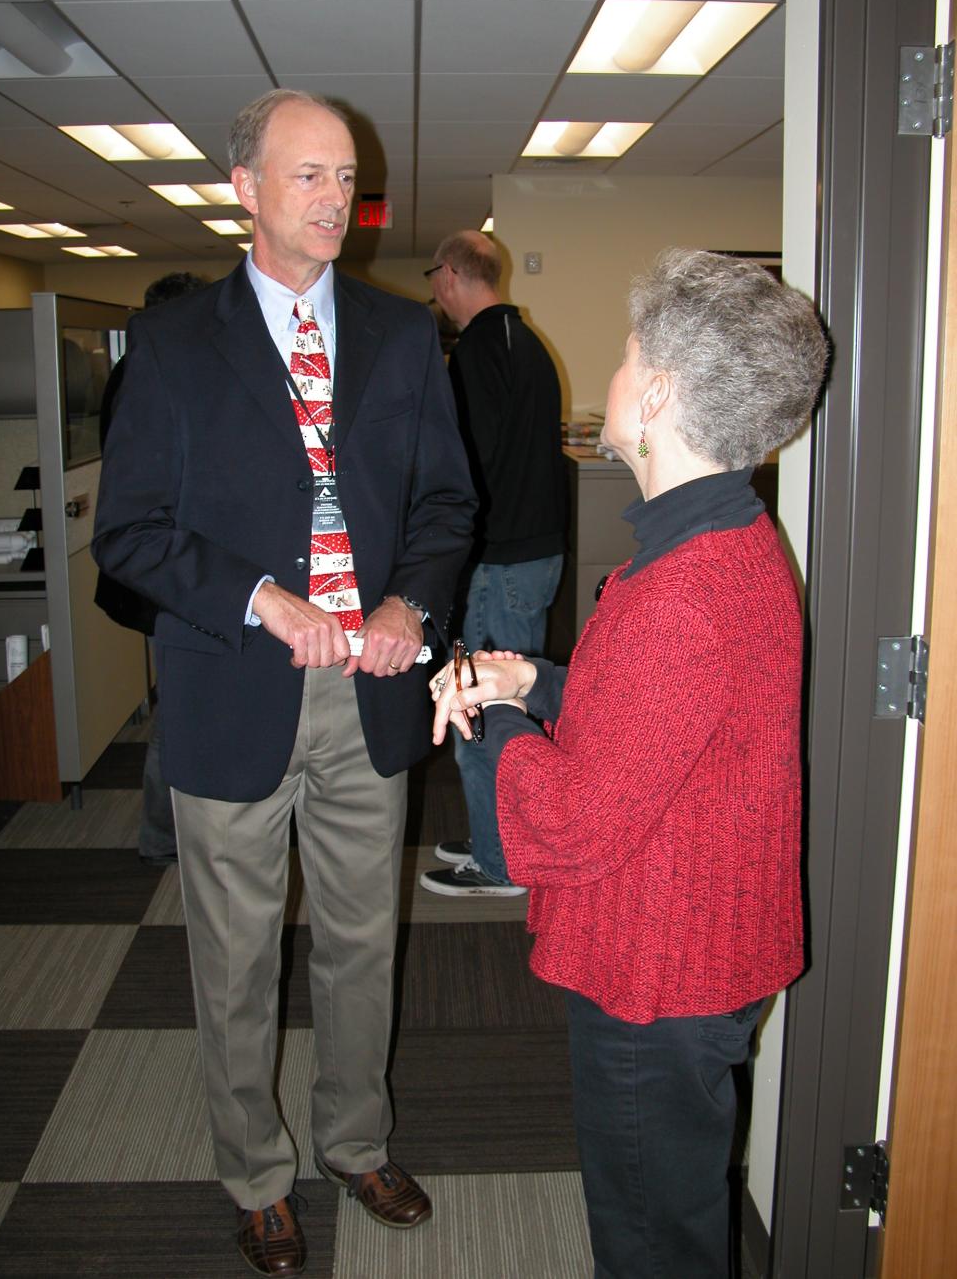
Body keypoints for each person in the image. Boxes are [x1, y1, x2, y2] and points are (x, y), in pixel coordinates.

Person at [92, 89, 476, 1278]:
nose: (333, 200)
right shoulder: (171, 345)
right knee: (237, 953)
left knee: (364, 941)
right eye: (304, 175)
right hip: (231, 686)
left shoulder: (405, 336)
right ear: (244, 189)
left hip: (367, 689)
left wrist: (410, 602)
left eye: (345, 176)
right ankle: (255, 1171)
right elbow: (132, 533)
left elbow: (444, 506)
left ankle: (355, 1141)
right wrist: (266, 599)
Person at [429, 249, 828, 1279]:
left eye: (624, 354)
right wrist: (537, 684)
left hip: (660, 972)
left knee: (654, 1244)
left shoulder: (679, 593)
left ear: (653, 395)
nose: (608, 373)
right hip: (701, 945)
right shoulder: (731, 540)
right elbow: (666, 734)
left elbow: (565, 824)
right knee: (678, 1215)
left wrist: (492, 715)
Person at [421, 231, 565, 896]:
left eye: (434, 276)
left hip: (501, 563)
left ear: (450, 274)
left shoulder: (477, 350)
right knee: (510, 706)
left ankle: (502, 862)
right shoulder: (527, 344)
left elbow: (466, 472)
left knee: (478, 708)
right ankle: (498, 839)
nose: (434, 290)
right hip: (533, 555)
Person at [94, 270, 211, 867]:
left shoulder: (142, 370)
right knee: (178, 708)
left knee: (177, 703)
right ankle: (164, 837)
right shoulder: (149, 375)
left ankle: (170, 832)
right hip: (164, 571)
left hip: (171, 570)